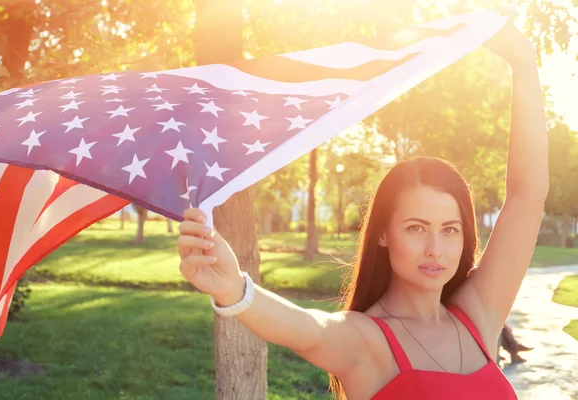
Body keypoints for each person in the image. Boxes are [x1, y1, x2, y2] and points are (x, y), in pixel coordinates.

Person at [176, 19, 548, 400]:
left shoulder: (478, 315)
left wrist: (523, 61)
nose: (436, 248)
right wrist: (236, 290)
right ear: (383, 233)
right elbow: (309, 329)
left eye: (449, 229)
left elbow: (528, 194)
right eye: (416, 228)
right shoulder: (366, 340)